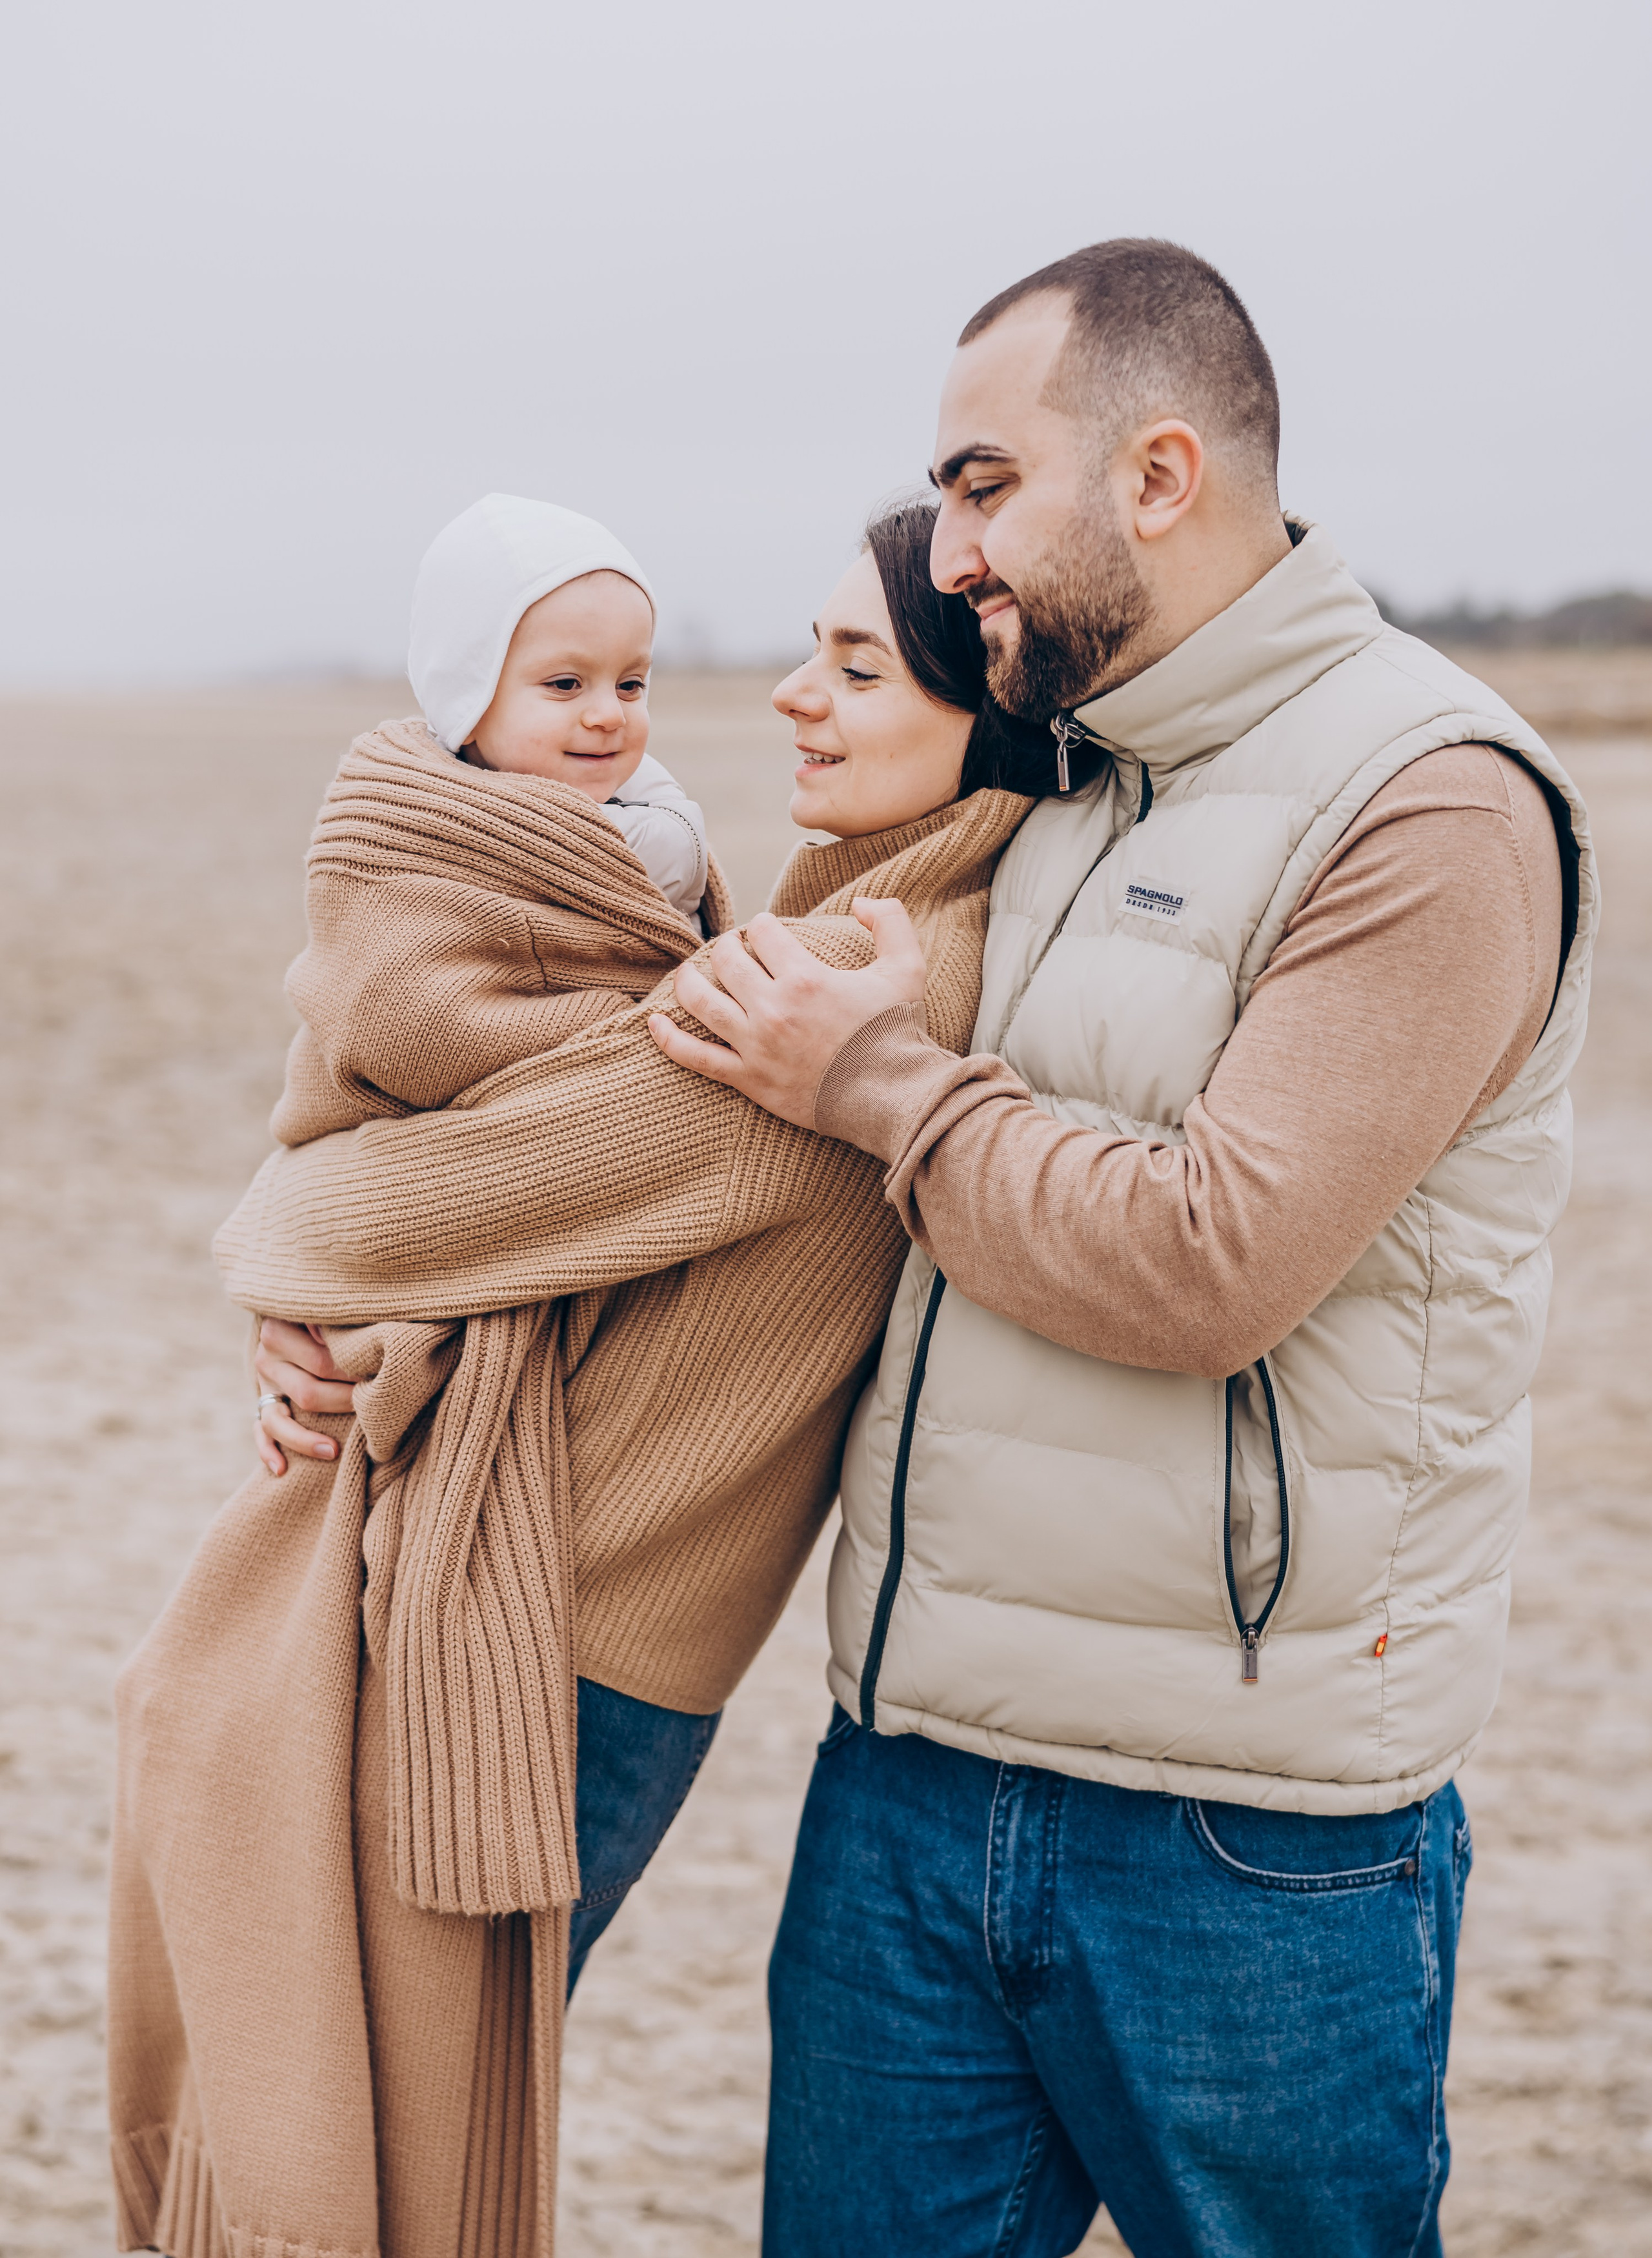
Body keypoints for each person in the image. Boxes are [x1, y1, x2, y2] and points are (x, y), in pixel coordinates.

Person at [650, 239, 1598, 2257]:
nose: (953, 548)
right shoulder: (1055, 771)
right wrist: (363, 1324)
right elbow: (746, 1159)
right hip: (907, 1779)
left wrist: (891, 1086)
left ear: (1160, 475)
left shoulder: (1427, 805)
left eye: (987, 486)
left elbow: (1211, 1259)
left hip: (1249, 1840)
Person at [109, 497, 1052, 2258]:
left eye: (854, 665)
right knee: (369, 2086)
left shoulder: (856, 980)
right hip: (575, 1605)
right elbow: (537, 1191)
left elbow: (482, 1187)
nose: (783, 696)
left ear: (984, 709)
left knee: (376, 2127)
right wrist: (335, 1297)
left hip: (565, 1633)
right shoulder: (842, 912)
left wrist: (289, 1251)